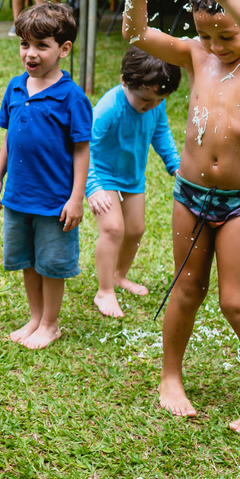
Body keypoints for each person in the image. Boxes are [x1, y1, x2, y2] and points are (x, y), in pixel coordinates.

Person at [123, 0, 240, 436]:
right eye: (208, 35)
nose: (216, 45)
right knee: (186, 288)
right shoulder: (197, 53)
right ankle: (170, 377)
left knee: (235, 301)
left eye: (227, 35)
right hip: (191, 195)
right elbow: (136, 35)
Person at [0, 3, 91, 350]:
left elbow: (81, 150)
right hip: (18, 195)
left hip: (54, 201)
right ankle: (35, 317)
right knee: (27, 261)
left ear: (64, 49)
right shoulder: (16, 88)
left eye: (41, 45)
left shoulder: (72, 97)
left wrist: (76, 198)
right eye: (24, 44)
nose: (30, 54)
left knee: (51, 264)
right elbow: (9, 137)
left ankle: (50, 324)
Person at [86, 47, 182, 319]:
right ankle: (104, 291)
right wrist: (92, 187)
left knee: (136, 229)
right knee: (114, 229)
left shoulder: (155, 102)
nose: (150, 106)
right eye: (144, 100)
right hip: (102, 174)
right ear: (124, 81)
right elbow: (84, 147)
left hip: (132, 176)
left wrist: (174, 163)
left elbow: (160, 132)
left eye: (158, 100)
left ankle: (119, 276)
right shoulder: (108, 107)